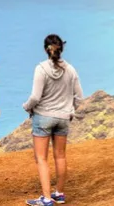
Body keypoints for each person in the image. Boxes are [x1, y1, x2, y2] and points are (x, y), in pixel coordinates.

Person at [22, 35, 83, 206]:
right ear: (61, 49)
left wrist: (27, 107)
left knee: (41, 158)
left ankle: (47, 198)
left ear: (45, 49)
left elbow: (35, 97)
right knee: (60, 156)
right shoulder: (71, 69)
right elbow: (79, 97)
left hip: (43, 118)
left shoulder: (41, 69)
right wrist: (70, 110)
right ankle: (59, 194)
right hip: (63, 118)